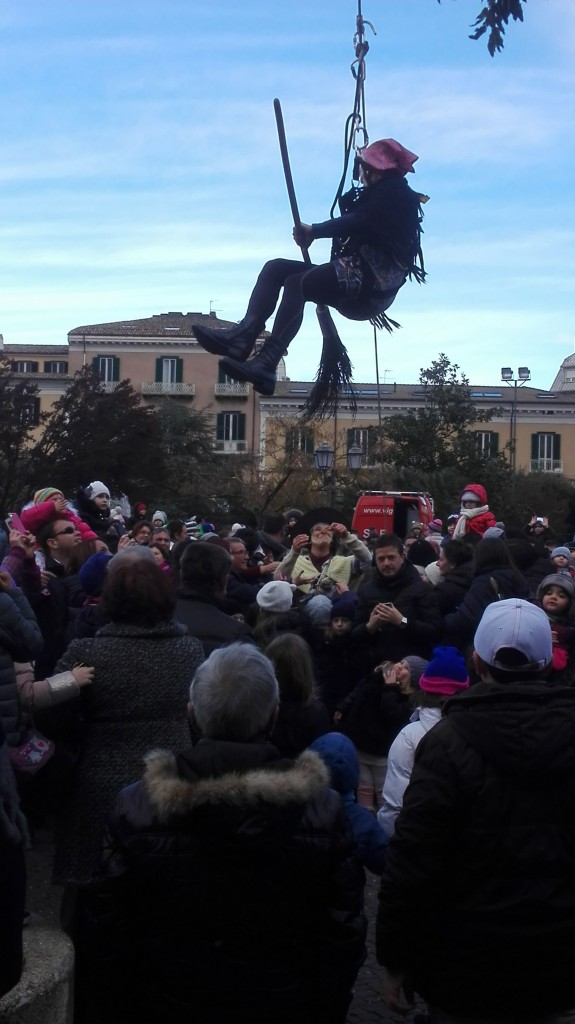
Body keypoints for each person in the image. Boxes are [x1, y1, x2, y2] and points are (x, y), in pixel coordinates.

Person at [82, 644, 366, 1024]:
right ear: (273, 715)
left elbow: (108, 926)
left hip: (165, 1002)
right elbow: (341, 930)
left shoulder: (137, 805)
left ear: (192, 715)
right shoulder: (323, 810)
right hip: (283, 1004)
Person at [376, 598, 575, 1022]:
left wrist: (395, 956)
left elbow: (413, 857)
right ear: (546, 664)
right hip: (557, 956)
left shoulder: (444, 743)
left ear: (477, 661)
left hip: (463, 960)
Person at [193, 139, 426, 408]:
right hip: (361, 276)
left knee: (299, 283)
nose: (360, 176)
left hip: (371, 284)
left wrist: (315, 231)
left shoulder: (394, 193)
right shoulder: (381, 195)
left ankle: (267, 362)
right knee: (275, 268)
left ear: (374, 169)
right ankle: (243, 336)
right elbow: (360, 224)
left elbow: (360, 222)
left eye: (363, 168)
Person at [376, 646, 469, 840]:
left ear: (425, 688)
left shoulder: (408, 736)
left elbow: (395, 804)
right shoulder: (476, 731)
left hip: (413, 840)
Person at [351, 533, 441, 671]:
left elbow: (434, 632)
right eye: (381, 559)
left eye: (391, 557)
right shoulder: (366, 589)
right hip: (376, 668)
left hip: (410, 669)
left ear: (402, 557)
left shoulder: (421, 588)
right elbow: (354, 634)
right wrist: (370, 627)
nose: (386, 563)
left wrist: (402, 621)